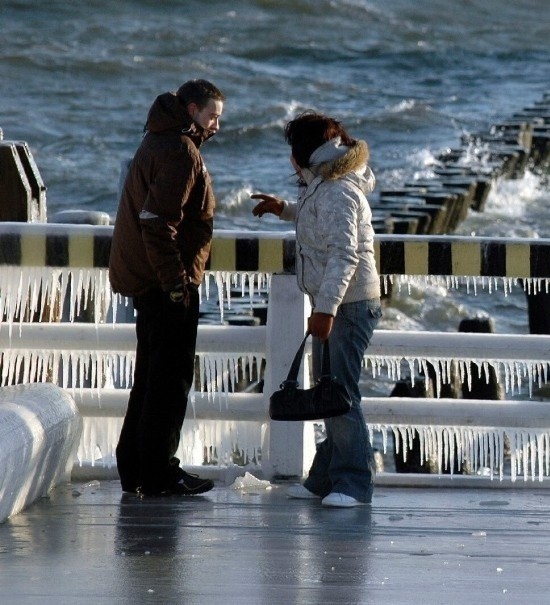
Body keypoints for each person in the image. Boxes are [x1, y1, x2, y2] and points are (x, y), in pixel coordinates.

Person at [251, 111, 382, 508]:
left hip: (349, 304)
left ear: (304, 154)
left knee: (342, 395)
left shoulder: (338, 190)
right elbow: (316, 216)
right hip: (336, 303)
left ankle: (354, 484)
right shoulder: (324, 183)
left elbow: (346, 254)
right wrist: (284, 209)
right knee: (330, 395)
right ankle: (325, 477)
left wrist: (325, 309)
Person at [109, 79, 225, 497]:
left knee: (150, 375)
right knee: (170, 380)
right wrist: (177, 284)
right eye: (212, 116)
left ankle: (134, 465)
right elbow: (157, 221)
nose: (216, 125)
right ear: (192, 109)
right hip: (166, 282)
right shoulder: (179, 150)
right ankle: (159, 470)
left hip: (147, 279)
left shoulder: (156, 139)